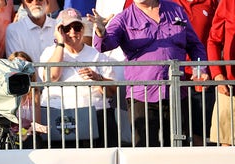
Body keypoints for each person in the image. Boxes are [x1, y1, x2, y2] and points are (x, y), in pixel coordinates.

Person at [93, 0, 208, 147]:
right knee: (145, 151)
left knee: (179, 150)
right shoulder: (124, 18)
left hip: (177, 93)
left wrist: (200, 69)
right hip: (142, 96)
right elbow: (104, 45)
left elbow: (195, 45)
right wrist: (101, 32)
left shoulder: (176, 10)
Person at [39, 8, 117, 148]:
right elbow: (52, 77)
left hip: (95, 115)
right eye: (66, 28)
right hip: (60, 116)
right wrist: (60, 44)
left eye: (77, 27)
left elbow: (111, 92)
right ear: (59, 30)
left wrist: (97, 78)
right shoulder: (50, 52)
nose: (73, 32)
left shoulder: (97, 55)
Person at [170, 0, 219, 146]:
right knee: (179, 132)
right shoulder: (168, 3)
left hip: (202, 78)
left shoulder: (212, 2)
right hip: (176, 79)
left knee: (201, 133)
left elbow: (216, 38)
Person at [207, 0, 235, 146]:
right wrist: (218, 75)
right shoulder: (228, 2)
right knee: (226, 145)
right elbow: (213, 41)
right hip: (229, 88)